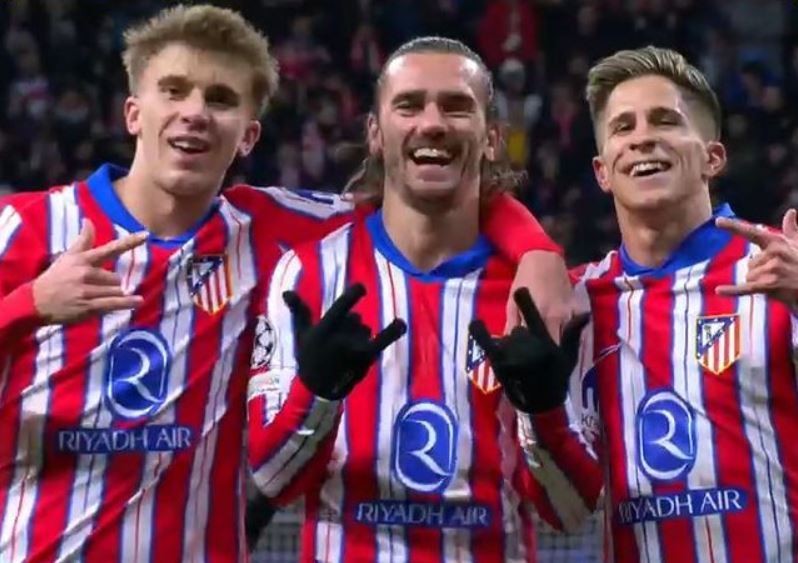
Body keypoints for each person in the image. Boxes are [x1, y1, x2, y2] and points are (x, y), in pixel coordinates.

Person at [0, 6, 571, 562]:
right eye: (173, 91)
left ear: (248, 136)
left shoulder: (270, 230)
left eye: (220, 99)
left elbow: (428, 193)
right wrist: (31, 304)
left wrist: (537, 250)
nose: (194, 112)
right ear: (132, 113)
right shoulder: (28, 227)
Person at [246, 36, 585, 563]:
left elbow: (571, 511)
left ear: (492, 138)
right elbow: (271, 479)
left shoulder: (538, 294)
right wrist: (317, 395)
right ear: (376, 135)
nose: (432, 123)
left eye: (456, 106)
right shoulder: (308, 275)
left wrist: (545, 415)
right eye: (409, 105)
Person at [472, 45, 798, 562]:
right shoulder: (575, 305)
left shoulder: (783, 267)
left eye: (666, 120)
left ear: (712, 158)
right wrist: (542, 409)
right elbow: (565, 511)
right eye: (623, 127)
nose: (642, 137)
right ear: (603, 171)